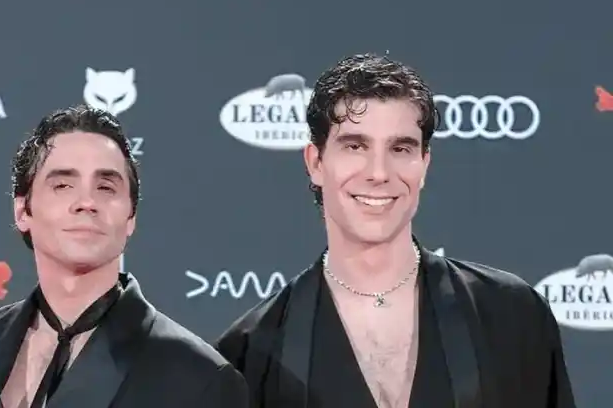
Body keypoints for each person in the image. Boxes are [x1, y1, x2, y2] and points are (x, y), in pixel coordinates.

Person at [214, 53, 576, 408]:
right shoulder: (250, 353)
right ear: (316, 163)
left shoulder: (511, 315)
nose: (379, 173)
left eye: (400, 148)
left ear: (424, 164)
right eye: (355, 146)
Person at [0, 105, 248, 408]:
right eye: (63, 185)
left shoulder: (199, 377)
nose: (86, 202)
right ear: (22, 211)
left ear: (131, 217)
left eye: (105, 187)